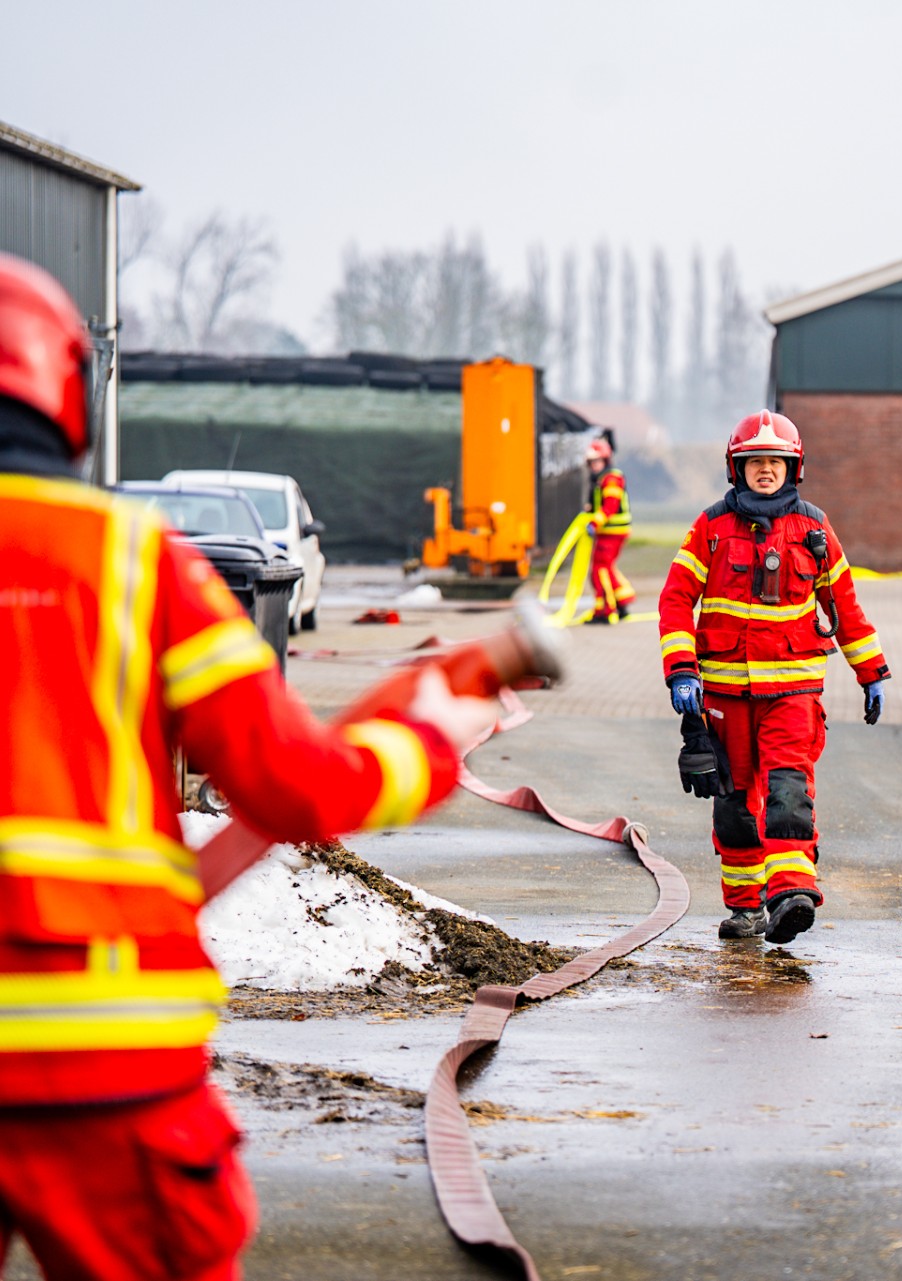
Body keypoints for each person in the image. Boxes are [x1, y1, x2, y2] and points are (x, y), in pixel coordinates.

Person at [0, 252, 498, 1281]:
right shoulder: (137, 565)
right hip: (104, 1064)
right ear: (64, 394)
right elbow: (297, 788)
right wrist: (429, 735)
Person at [657, 410, 890, 944]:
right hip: (723, 697)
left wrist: (871, 671)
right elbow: (675, 601)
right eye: (755, 462)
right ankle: (745, 909)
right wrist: (681, 673)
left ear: (794, 467)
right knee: (734, 804)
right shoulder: (710, 529)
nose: (766, 471)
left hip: (794, 694)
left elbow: (845, 606)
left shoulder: (814, 529)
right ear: (736, 469)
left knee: (788, 791)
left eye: (775, 462)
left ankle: (792, 894)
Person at [584, 433, 636, 624]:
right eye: (591, 462)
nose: (593, 466)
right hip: (610, 532)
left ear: (605, 459)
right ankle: (622, 603)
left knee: (599, 569)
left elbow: (611, 505)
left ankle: (605, 610)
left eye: (596, 461)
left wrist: (594, 523)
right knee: (607, 568)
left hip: (613, 532)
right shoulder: (603, 479)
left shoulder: (611, 479)